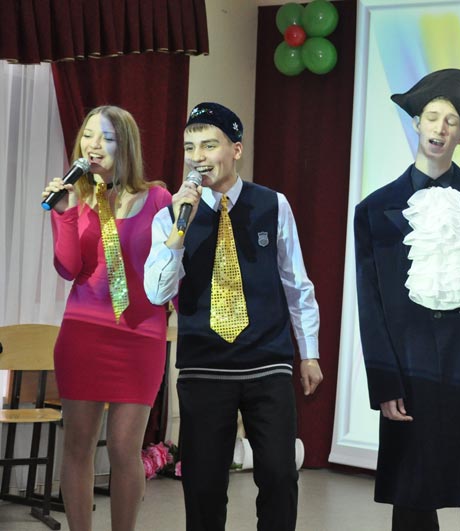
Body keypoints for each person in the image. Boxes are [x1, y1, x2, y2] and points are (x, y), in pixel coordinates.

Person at [354, 68, 460, 531]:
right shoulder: (374, 209)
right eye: (432, 117)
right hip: (410, 366)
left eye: (452, 121)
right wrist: (384, 381)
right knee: (413, 490)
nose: (440, 128)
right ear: (416, 123)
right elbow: (371, 304)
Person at [143, 102, 323, 531]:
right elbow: (156, 292)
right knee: (203, 487)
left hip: (268, 363)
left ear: (236, 149)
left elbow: (296, 283)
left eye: (209, 145)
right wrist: (179, 232)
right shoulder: (171, 216)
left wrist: (309, 353)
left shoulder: (273, 205)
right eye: (190, 148)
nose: (197, 157)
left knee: (280, 476)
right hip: (204, 367)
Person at [41, 105, 173, 531]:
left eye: (107, 138)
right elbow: (68, 268)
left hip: (141, 337)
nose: (93, 146)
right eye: (88, 136)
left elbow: (171, 269)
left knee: (122, 448)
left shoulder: (159, 199)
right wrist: (65, 212)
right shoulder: (76, 198)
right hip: (83, 335)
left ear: (126, 146)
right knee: (77, 447)